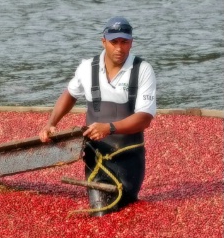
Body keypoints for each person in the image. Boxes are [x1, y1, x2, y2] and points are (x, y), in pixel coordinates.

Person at [39, 16, 156, 217]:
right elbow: (70, 94)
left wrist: (109, 127)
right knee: (101, 213)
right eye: (114, 42)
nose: (119, 48)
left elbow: (145, 117)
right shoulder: (87, 68)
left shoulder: (142, 70)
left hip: (130, 157)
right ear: (104, 41)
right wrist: (51, 123)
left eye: (124, 42)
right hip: (96, 158)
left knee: (126, 208)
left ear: (131, 42)